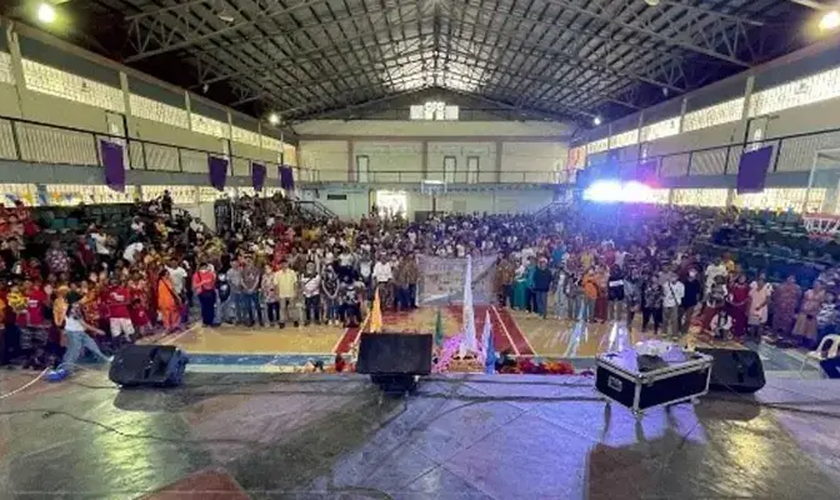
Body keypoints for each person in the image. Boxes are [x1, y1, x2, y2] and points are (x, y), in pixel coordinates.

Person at [49, 304, 109, 379]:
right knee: (73, 352)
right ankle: (66, 369)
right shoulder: (74, 314)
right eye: (74, 307)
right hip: (74, 334)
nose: (76, 308)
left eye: (77, 306)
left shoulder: (75, 313)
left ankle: (105, 361)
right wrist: (98, 330)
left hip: (81, 333)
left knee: (92, 346)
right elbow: (84, 324)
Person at [794, 281, 827, 347]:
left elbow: (822, 305)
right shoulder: (808, 292)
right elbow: (803, 301)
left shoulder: (822, 294)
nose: (816, 285)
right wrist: (801, 309)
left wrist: (815, 311)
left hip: (813, 313)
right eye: (815, 284)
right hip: (804, 311)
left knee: (810, 329)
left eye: (818, 285)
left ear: (821, 286)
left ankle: (807, 343)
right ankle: (798, 340)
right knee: (801, 326)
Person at [770, 275, 802, 342]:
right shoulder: (780, 286)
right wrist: (775, 305)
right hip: (779, 307)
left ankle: (784, 338)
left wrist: (794, 306)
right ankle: (774, 335)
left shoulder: (797, 288)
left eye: (792, 278)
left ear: (795, 280)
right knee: (776, 322)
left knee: (787, 323)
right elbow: (775, 296)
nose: (791, 280)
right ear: (786, 278)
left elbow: (798, 298)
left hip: (789, 309)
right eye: (789, 278)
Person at [273, 260, 299, 328]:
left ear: (288, 264)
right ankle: (282, 322)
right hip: (281, 294)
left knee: (293, 308)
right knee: (282, 308)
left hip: (291, 293)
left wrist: (296, 292)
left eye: (286, 264)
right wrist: (276, 294)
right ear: (281, 265)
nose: (284, 265)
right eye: (283, 264)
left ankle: (295, 320)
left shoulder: (292, 272)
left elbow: (295, 283)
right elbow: (276, 285)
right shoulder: (277, 274)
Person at [748, 273, 772, 341]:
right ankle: (751, 337)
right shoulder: (753, 286)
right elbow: (749, 297)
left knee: (760, 325)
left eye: (762, 279)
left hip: (762, 309)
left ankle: (758, 338)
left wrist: (760, 306)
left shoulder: (767, 287)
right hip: (753, 307)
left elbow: (768, 300)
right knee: (752, 324)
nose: (760, 281)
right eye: (759, 279)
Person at [193, 262, 217, 327]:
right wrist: (202, 283)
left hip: (210, 292)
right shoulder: (196, 275)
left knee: (211, 307)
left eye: (205, 267)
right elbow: (194, 286)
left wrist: (211, 280)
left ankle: (211, 321)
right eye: (202, 267)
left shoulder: (210, 274)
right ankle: (205, 321)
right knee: (204, 307)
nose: (204, 269)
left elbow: (213, 283)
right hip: (202, 292)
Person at [726, 274, 750, 339]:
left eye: (743, 278)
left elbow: (748, 297)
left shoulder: (747, 287)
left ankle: (739, 334)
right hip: (733, 305)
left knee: (740, 320)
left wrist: (742, 303)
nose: (741, 279)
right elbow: (729, 290)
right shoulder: (734, 285)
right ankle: (730, 332)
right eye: (740, 278)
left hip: (742, 306)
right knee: (732, 319)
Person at [679, 269, 702, 335]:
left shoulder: (697, 283)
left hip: (692, 302)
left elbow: (698, 293)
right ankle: (679, 328)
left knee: (688, 318)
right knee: (679, 316)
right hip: (683, 301)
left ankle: (684, 330)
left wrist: (697, 301)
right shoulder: (684, 282)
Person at [241, 257, 262, 327]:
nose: (249, 262)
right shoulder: (243, 270)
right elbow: (241, 280)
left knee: (257, 305)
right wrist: (246, 288)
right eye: (247, 261)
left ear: (252, 261)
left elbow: (257, 280)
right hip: (246, 291)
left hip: (254, 291)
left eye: (250, 261)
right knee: (248, 306)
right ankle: (251, 320)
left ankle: (260, 320)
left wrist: (252, 288)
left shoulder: (256, 269)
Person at [662, 272, 685, 338]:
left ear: (677, 277)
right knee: (665, 319)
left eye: (675, 276)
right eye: (672, 276)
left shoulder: (681, 285)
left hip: (675, 304)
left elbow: (681, 295)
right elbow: (663, 293)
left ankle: (675, 334)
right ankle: (664, 332)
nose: (673, 278)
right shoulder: (665, 285)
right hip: (666, 303)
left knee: (674, 319)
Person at [301, 261, 322, 325]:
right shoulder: (303, 274)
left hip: (315, 293)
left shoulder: (317, 274)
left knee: (316, 307)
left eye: (312, 265)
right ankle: (307, 319)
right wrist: (306, 290)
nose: (310, 266)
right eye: (309, 265)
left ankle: (317, 319)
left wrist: (312, 290)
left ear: (314, 266)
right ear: (306, 266)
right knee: (307, 307)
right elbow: (302, 284)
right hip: (307, 293)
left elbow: (318, 284)